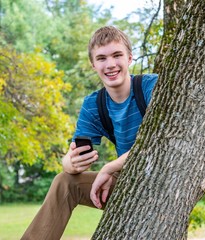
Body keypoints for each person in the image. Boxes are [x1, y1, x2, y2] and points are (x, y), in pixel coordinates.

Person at [21, 26, 158, 240]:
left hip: (162, 176)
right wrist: (71, 163)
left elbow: (158, 144)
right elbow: (71, 156)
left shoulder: (152, 87)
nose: (110, 64)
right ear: (93, 64)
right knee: (64, 182)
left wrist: (110, 167)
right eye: (102, 58)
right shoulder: (94, 104)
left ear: (130, 58)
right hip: (126, 180)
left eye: (117, 55)